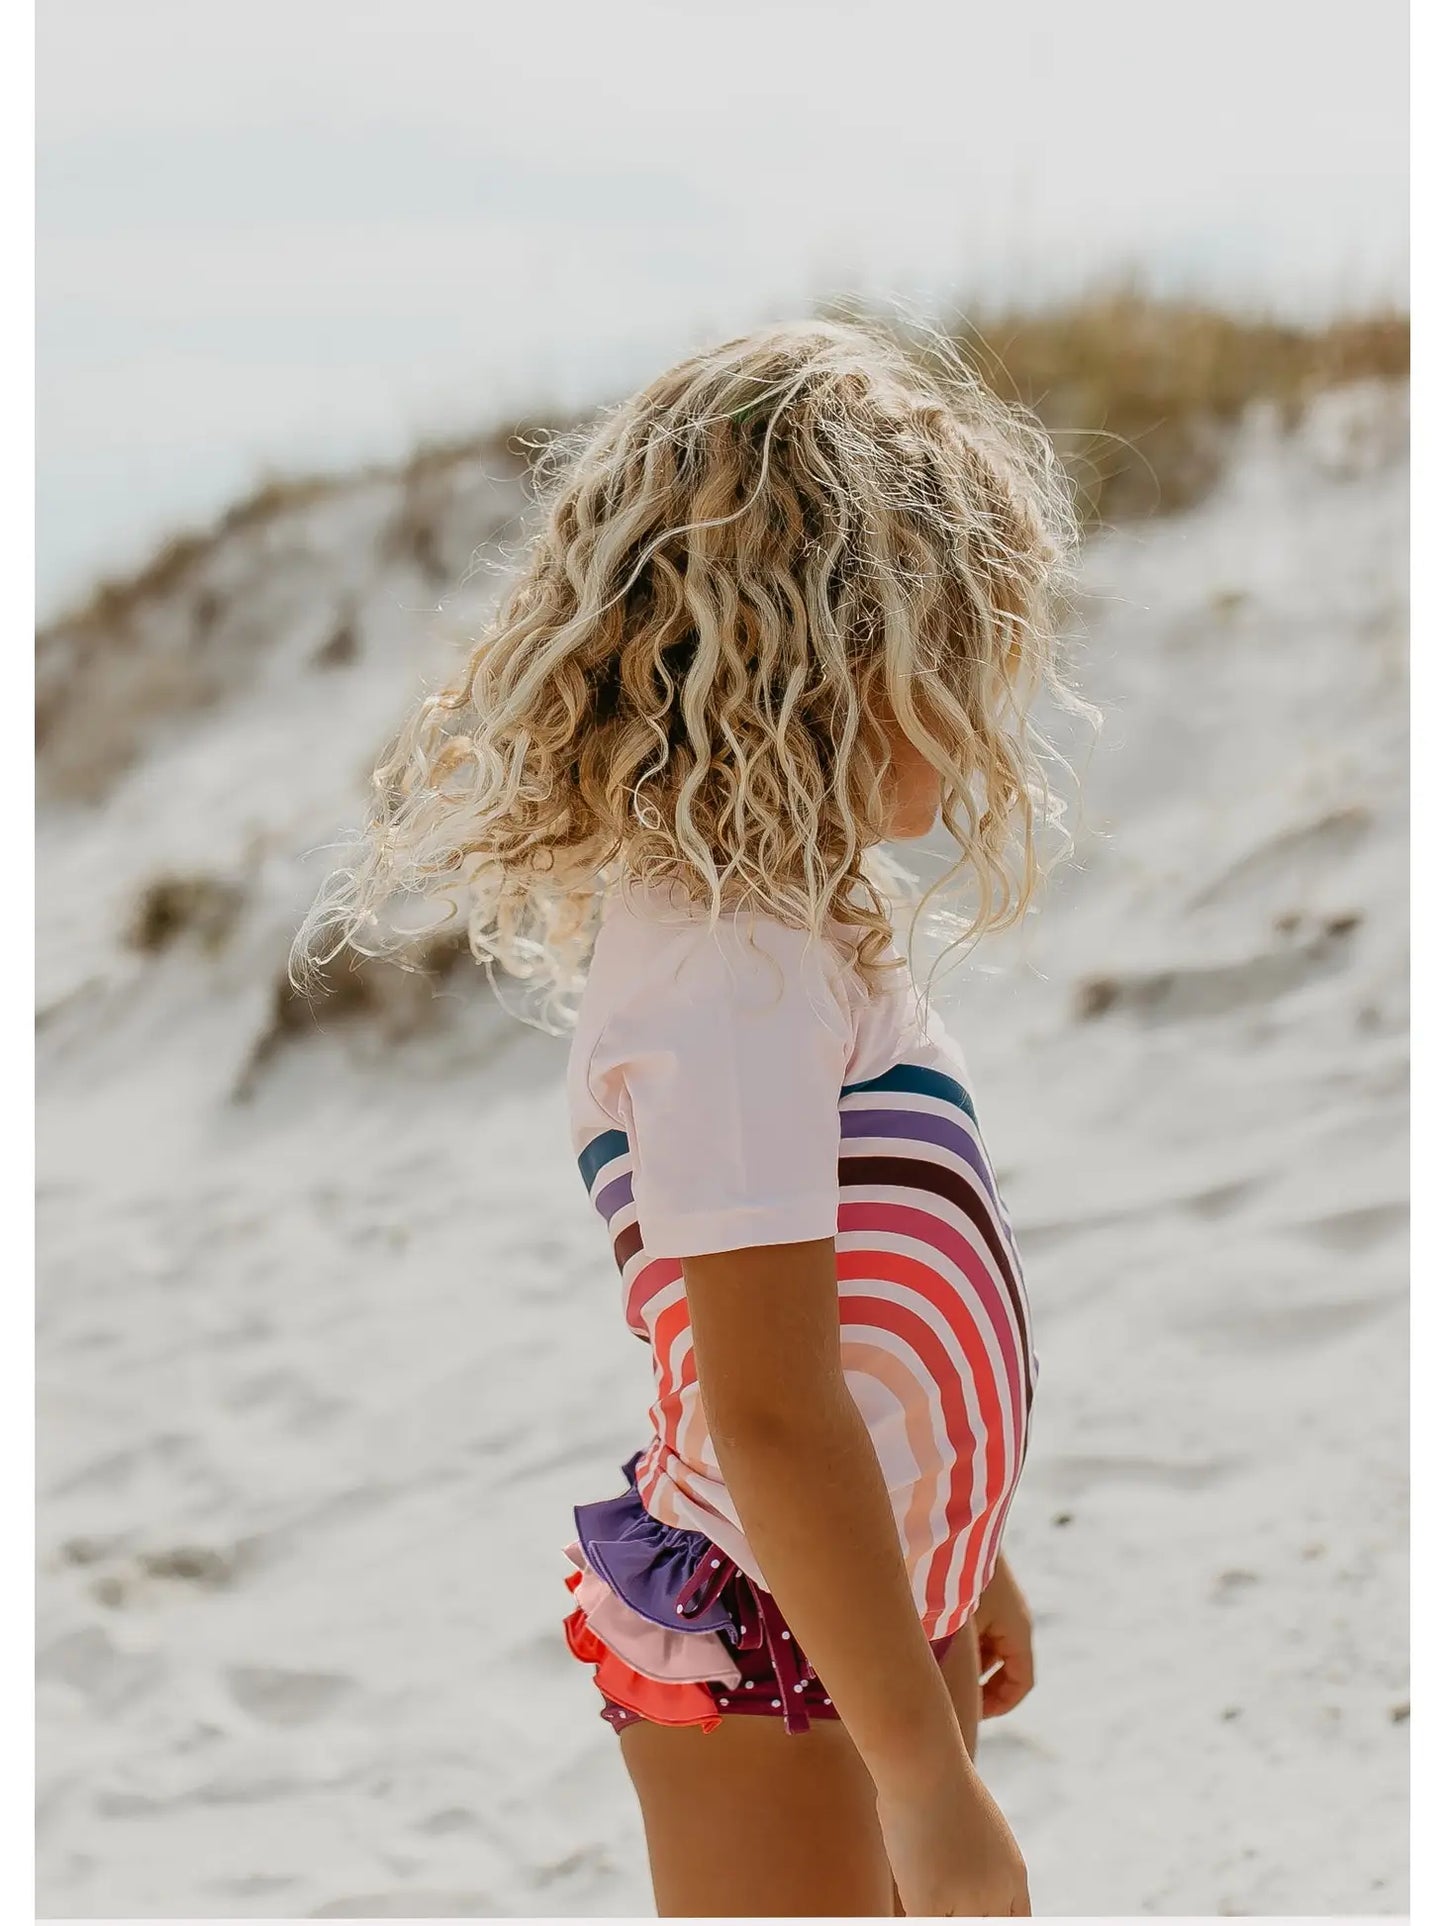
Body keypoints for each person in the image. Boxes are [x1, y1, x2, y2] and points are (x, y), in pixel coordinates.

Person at [295, 317, 1081, 1916]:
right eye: (964, 643)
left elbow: (876, 1305)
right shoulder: (726, 959)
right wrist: (922, 1776)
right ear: (833, 649)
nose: (996, 688)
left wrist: (968, 1544)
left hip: (861, 1592)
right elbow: (773, 1407)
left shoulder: (795, 924)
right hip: (773, 1630)